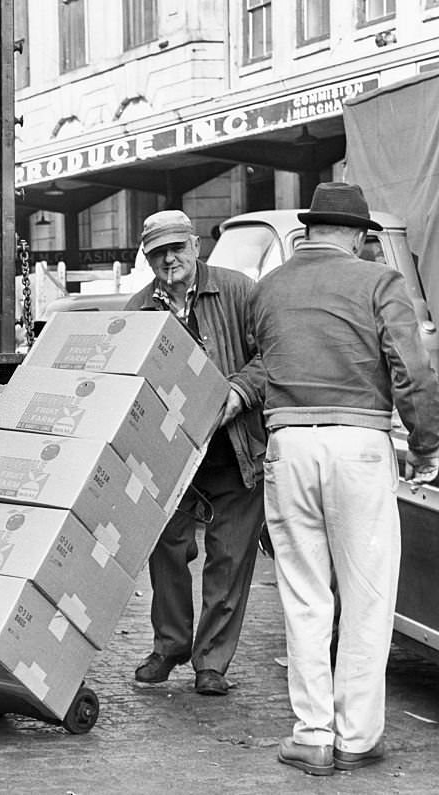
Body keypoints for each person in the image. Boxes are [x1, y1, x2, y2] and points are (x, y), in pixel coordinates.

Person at [244, 182, 439, 776]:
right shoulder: (379, 283)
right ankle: (357, 736)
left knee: (305, 594)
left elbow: (264, 358)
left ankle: (312, 735)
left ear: (310, 230)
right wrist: (425, 444)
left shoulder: (268, 289)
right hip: (359, 447)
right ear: (356, 235)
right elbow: (412, 371)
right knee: (368, 592)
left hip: (289, 444)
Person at [125, 209, 266, 696]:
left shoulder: (239, 290)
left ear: (195, 246)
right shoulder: (139, 308)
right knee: (166, 549)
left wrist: (238, 393)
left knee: (229, 554)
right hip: (170, 454)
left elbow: (273, 356)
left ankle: (212, 662)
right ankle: (169, 647)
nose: (169, 259)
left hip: (235, 447)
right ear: (147, 258)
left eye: (176, 248)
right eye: (158, 252)